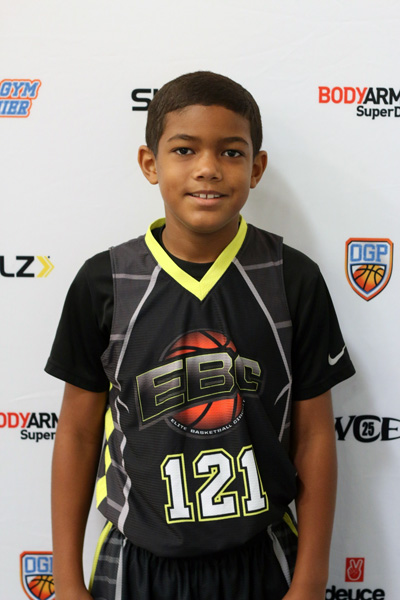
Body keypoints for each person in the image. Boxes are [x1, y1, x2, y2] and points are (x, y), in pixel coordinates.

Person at [47, 71, 355, 600]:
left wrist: (310, 579)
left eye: (231, 152)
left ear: (256, 168)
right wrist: (67, 580)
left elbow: (314, 436)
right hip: (137, 562)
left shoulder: (291, 278)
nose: (208, 168)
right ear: (151, 163)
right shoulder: (107, 282)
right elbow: (76, 433)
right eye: (185, 150)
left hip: (261, 555)